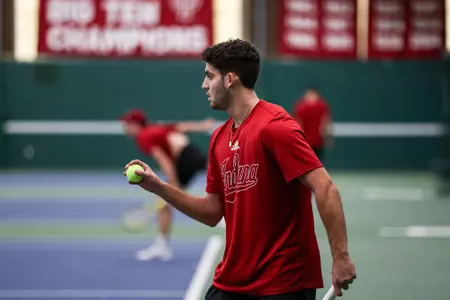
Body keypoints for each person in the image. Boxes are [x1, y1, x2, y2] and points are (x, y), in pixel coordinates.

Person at [124, 39, 356, 299]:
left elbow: (325, 187)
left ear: (230, 79)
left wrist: (341, 257)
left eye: (209, 76)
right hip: (232, 281)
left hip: (282, 284)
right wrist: (158, 187)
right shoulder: (219, 139)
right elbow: (212, 212)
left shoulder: (275, 126)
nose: (203, 85)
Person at [120, 109, 215, 261]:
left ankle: (162, 246)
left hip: (184, 159)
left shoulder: (144, 136)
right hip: (191, 152)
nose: (125, 127)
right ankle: (162, 245)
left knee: (167, 200)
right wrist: (202, 126)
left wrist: (172, 186)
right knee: (165, 203)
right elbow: (182, 127)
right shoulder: (156, 128)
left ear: (136, 125)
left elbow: (165, 162)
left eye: (127, 124)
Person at [293, 86, 333, 161]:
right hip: (309, 142)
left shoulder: (301, 106)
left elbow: (326, 123)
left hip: (311, 142)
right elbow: (326, 123)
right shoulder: (322, 105)